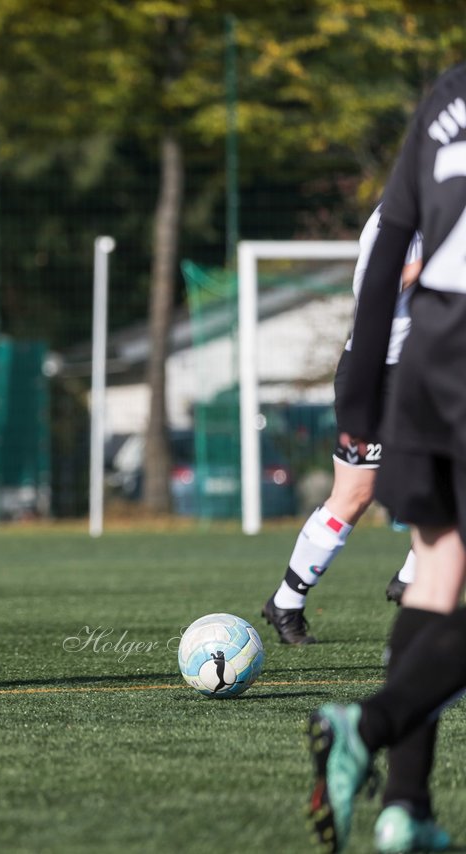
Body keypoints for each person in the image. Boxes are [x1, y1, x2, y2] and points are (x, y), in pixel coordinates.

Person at [308, 63, 466, 854]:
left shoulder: (443, 99)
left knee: (436, 572)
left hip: (431, 357)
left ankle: (407, 807)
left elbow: (384, 254)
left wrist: (360, 392)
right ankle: (364, 727)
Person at [261, 206, 423, 646]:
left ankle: (415, 577)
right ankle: (287, 602)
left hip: (427, 373)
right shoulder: (398, 216)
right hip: (376, 374)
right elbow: (373, 290)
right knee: (354, 494)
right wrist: (434, 265)